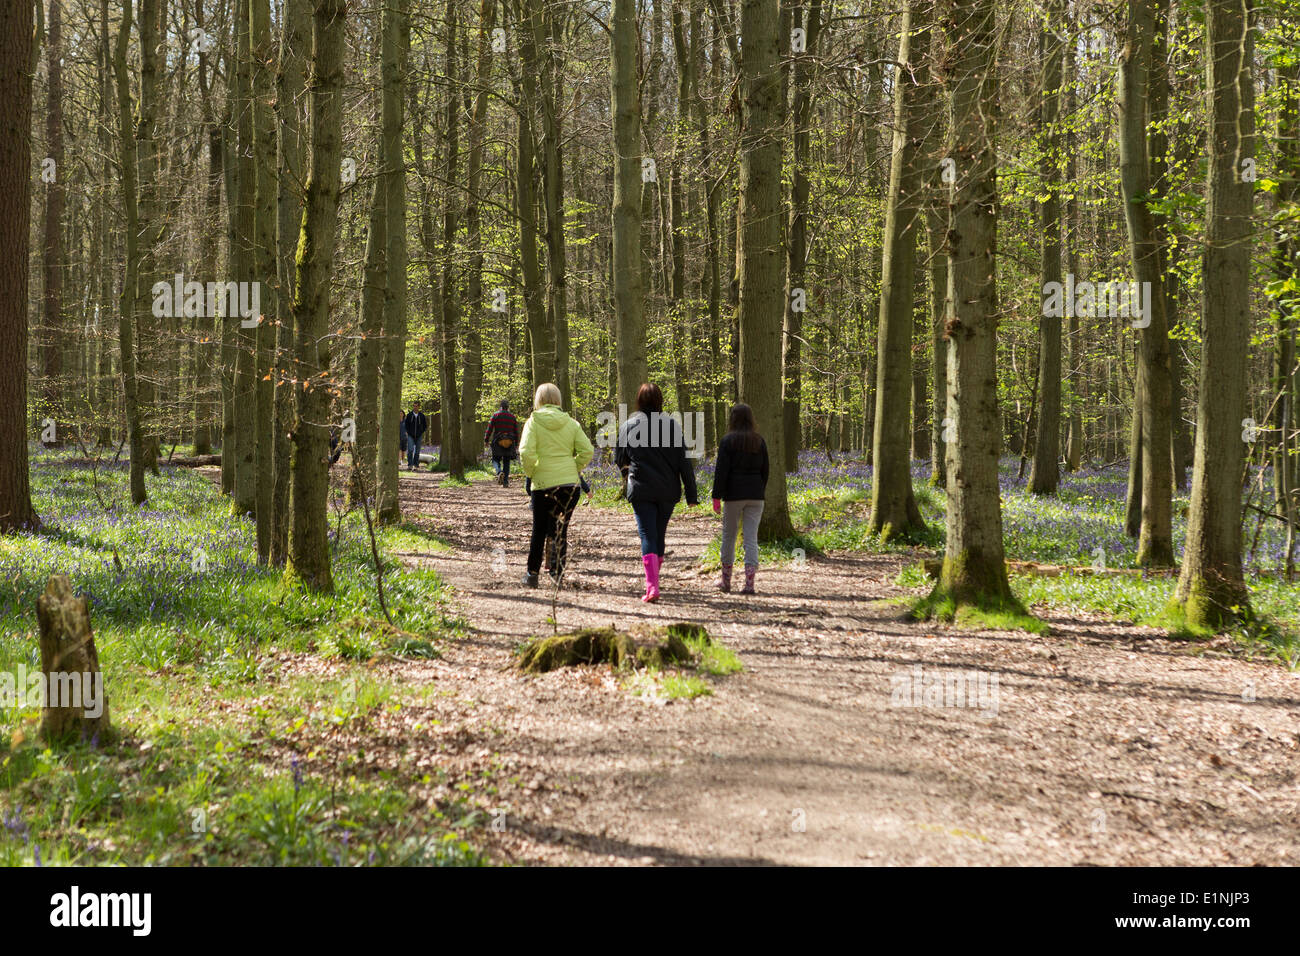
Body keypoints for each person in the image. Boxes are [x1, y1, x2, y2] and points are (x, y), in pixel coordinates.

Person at [616, 383, 698, 603]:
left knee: (647, 535)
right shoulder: (672, 426)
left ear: (639, 401)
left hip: (641, 488)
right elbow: (684, 462)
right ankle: (654, 582)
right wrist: (692, 495)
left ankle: (652, 586)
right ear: (660, 401)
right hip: (667, 491)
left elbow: (619, 459)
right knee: (659, 534)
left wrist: (628, 471)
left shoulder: (629, 426)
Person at [518, 383, 594, 587]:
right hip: (570, 485)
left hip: (543, 483)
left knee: (539, 530)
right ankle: (556, 574)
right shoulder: (571, 423)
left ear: (538, 400)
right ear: (558, 400)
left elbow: (525, 452)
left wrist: (531, 471)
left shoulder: (533, 422)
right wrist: (573, 467)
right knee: (560, 529)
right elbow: (587, 451)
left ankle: (532, 575)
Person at [711, 403, 769, 594]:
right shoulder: (759, 441)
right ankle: (749, 584)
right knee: (751, 538)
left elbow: (721, 471)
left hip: (734, 495)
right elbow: (765, 470)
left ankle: (726, 582)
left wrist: (716, 497)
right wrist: (760, 489)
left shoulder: (728, 441)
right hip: (756, 496)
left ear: (733, 419)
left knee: (729, 536)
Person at [484, 399, 521, 487]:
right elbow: (516, 431)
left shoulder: (496, 415)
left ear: (500, 406)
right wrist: (517, 443)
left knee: (495, 459)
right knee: (506, 461)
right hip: (510, 442)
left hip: (498, 441)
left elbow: (490, 428)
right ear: (508, 407)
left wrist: (486, 439)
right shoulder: (512, 417)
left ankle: (499, 472)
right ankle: (505, 482)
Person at [403, 402, 428, 470]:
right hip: (410, 435)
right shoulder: (409, 415)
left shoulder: (422, 416)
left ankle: (416, 465)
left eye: (416, 406)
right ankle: (410, 465)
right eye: (414, 406)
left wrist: (421, 432)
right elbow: (406, 425)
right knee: (410, 450)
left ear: (419, 407)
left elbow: (425, 426)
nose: (415, 407)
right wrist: (407, 432)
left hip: (419, 436)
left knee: (417, 451)